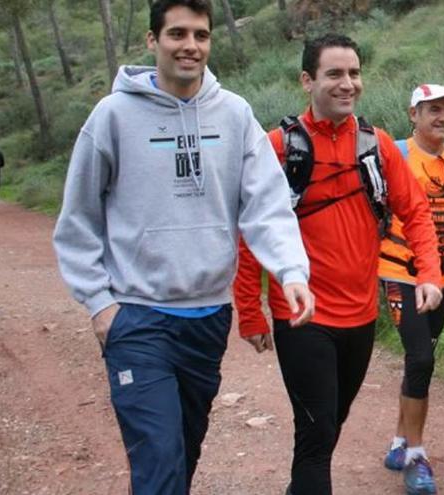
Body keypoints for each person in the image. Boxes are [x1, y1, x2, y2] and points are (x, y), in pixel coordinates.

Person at [52, 1, 313, 493]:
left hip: (207, 317)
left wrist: (290, 271)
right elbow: (78, 219)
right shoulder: (112, 116)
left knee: (182, 454)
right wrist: (101, 305)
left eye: (200, 35)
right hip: (137, 316)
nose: (189, 46)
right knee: (159, 460)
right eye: (176, 34)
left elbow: (267, 205)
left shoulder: (234, 114)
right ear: (153, 41)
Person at [232, 34, 443, 495]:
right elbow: (252, 234)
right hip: (302, 315)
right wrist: (250, 310)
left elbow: (417, 211)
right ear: (307, 80)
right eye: (334, 74)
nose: (347, 84)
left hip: (360, 317)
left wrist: (428, 272)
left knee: (330, 425)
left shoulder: (377, 146)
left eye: (354, 73)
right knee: (315, 434)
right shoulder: (278, 148)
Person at [378, 83, 444, 494]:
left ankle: (400, 441)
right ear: (413, 114)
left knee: (422, 357)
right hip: (400, 270)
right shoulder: (396, 157)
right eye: (432, 110)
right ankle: (417, 458)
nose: (442, 118)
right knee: (420, 359)